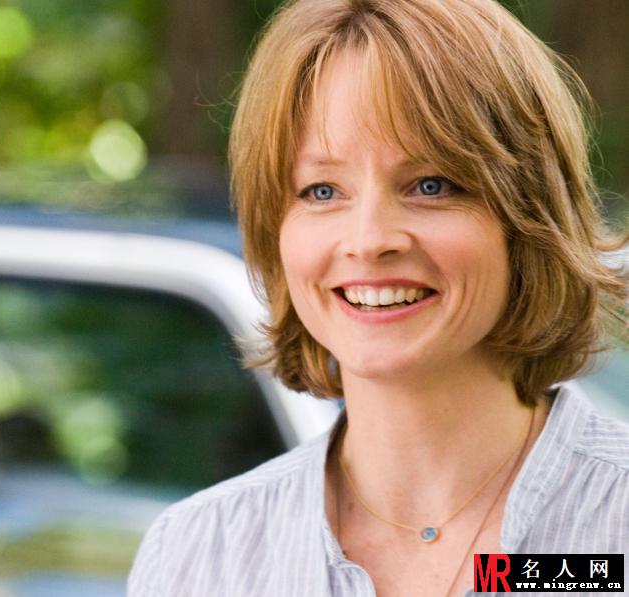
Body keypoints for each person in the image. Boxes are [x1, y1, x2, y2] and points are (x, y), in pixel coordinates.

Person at [128, 0, 629, 595]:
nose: (369, 241)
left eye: (431, 185)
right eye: (321, 190)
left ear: (529, 215)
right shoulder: (199, 556)